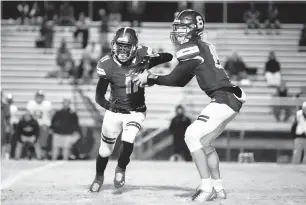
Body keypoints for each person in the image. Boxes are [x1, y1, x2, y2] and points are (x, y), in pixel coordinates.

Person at [134, 9, 246, 202]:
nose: (177, 32)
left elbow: (173, 79)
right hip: (229, 98)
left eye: (182, 28)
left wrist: (149, 77)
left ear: (193, 29)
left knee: (191, 135)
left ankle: (206, 188)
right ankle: (218, 188)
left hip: (223, 98)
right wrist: (152, 79)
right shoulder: (203, 46)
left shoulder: (191, 48)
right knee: (204, 143)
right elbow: (181, 81)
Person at [89, 27, 173, 192]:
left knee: (129, 139)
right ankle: (99, 176)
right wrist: (109, 106)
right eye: (119, 46)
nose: (121, 50)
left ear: (134, 47)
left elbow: (168, 57)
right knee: (105, 151)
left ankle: (121, 169)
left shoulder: (143, 55)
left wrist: (149, 62)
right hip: (114, 111)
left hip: (136, 111)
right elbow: (99, 96)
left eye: (126, 47)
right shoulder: (107, 64)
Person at [27, 90, 52, 159]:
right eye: (38, 96)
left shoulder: (47, 104)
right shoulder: (31, 104)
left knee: (43, 138)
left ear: (43, 97)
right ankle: (31, 153)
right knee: (30, 135)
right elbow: (28, 115)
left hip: (43, 125)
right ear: (35, 97)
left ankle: (43, 154)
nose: (39, 98)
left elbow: (50, 115)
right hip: (33, 125)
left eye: (40, 96)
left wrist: (48, 125)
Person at [7, 94, 19, 159]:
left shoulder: (13, 107)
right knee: (7, 141)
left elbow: (13, 118)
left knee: (12, 141)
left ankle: (11, 154)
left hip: (12, 124)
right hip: (7, 124)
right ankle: (7, 154)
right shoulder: (4, 107)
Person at [1, 91, 11, 159]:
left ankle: (3, 154)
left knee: (3, 139)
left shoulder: (5, 105)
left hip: (2, 124)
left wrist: (7, 126)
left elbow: (7, 117)